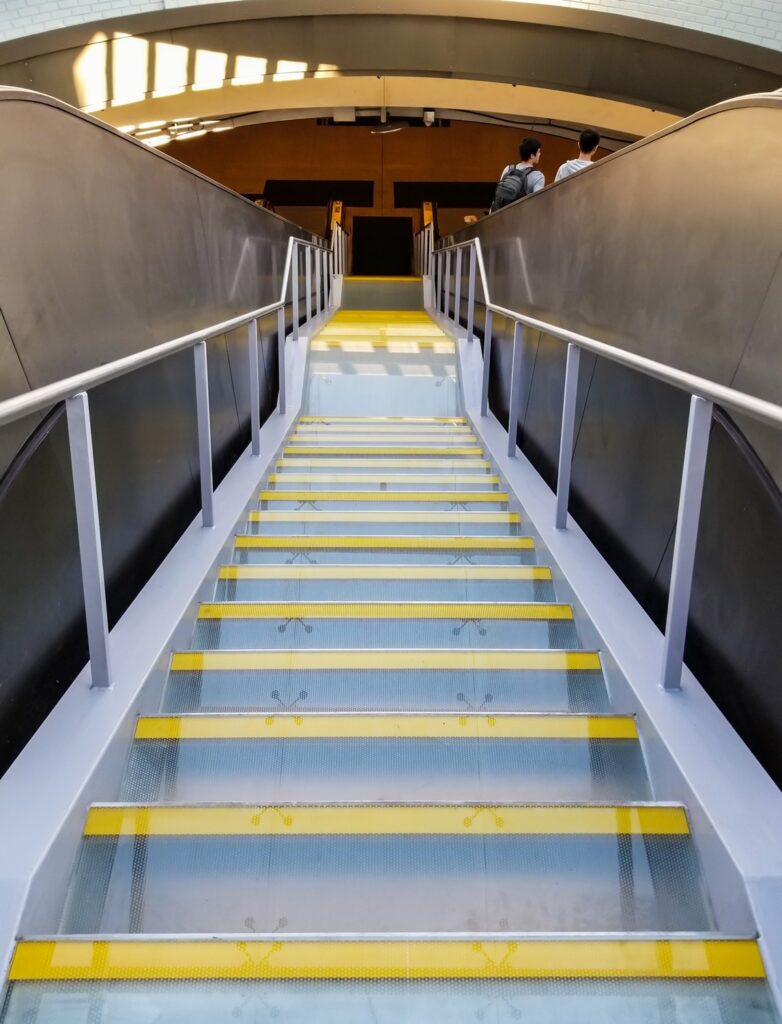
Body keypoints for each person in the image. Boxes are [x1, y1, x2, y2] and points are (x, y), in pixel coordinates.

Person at [491, 137, 545, 211]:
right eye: (538, 152)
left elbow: (498, 195)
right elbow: (537, 203)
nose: (540, 154)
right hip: (519, 218)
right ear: (532, 155)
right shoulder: (538, 176)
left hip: (500, 216)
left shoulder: (508, 169)